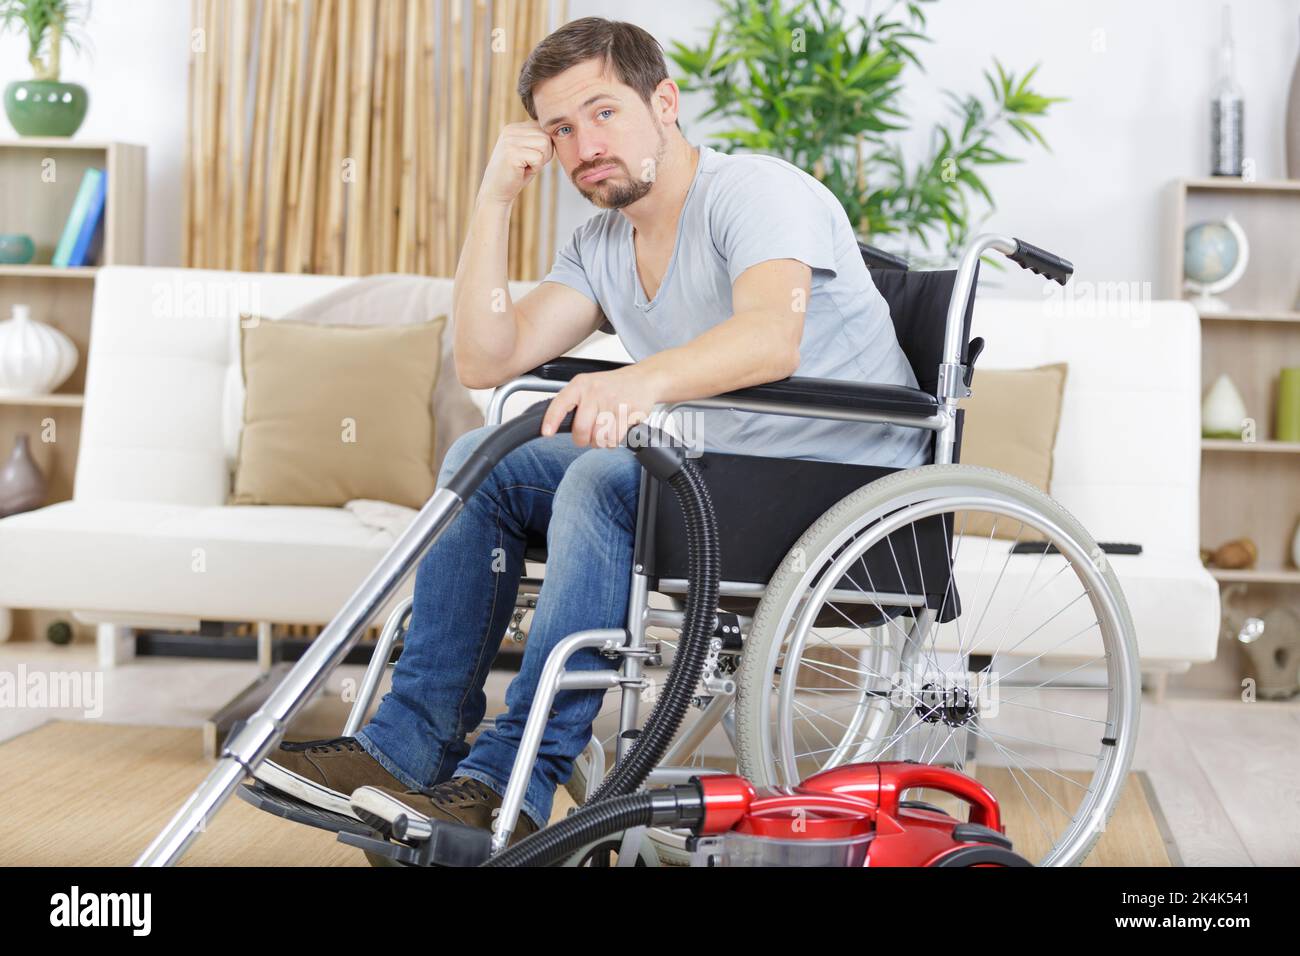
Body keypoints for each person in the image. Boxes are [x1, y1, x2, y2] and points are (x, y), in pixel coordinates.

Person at [252, 16, 929, 844]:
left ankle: (511, 785)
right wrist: (493, 201)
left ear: (665, 103)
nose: (584, 145)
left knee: (604, 475)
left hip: (835, 484)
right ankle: (405, 748)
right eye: (561, 129)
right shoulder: (603, 241)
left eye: (604, 112)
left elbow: (769, 336)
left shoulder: (755, 192)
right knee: (480, 460)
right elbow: (485, 355)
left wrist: (638, 380)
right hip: (721, 473)